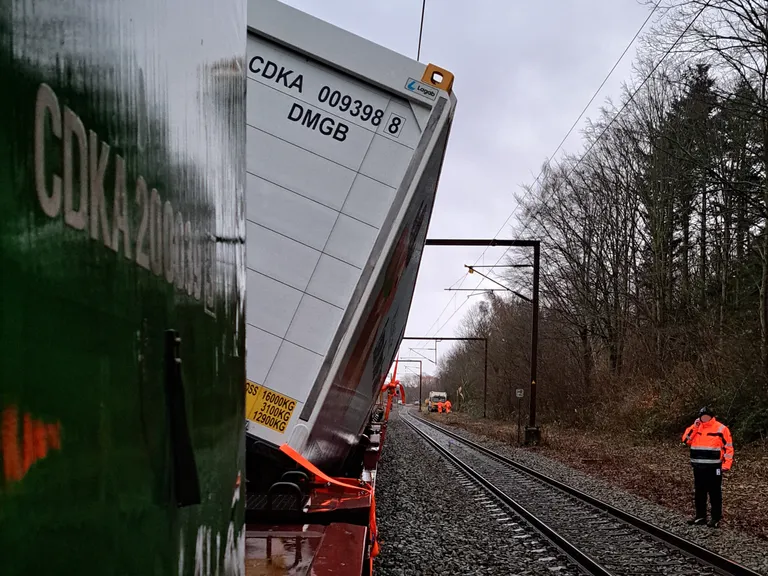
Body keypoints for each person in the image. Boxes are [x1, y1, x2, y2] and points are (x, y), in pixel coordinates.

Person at [681, 406, 734, 528]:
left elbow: (729, 447)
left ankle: (715, 518)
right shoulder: (696, 427)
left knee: (715, 493)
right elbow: (685, 440)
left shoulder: (721, 429)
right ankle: (700, 516)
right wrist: (695, 426)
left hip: (714, 467)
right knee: (699, 492)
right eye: (702, 416)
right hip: (698, 467)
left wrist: (726, 464)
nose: (704, 418)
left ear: (711, 416)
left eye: (706, 416)